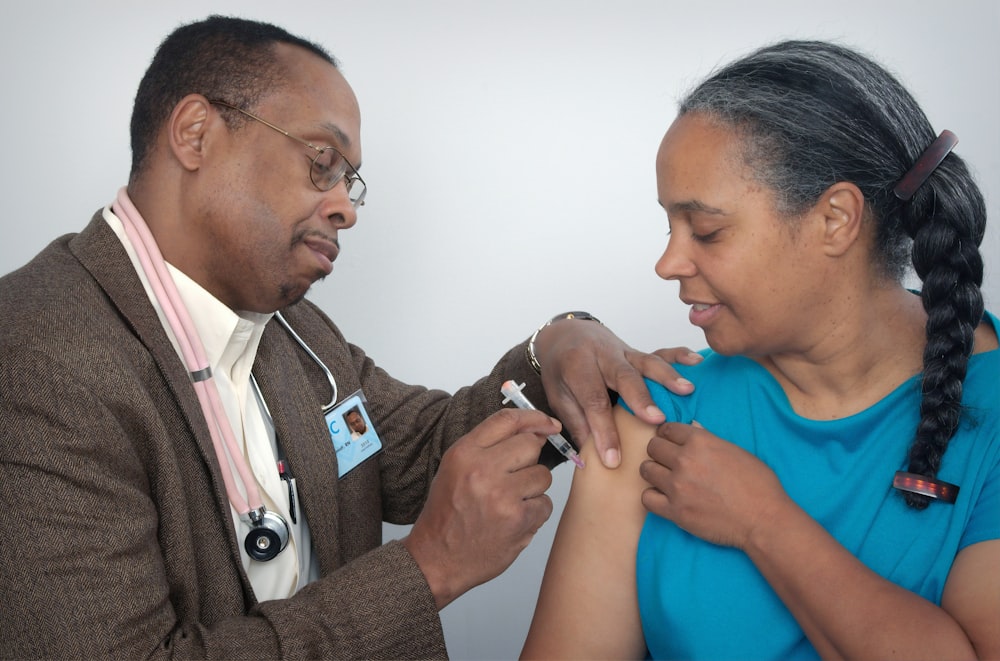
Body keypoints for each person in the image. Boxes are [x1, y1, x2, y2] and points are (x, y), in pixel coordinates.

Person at [0, 16, 698, 660]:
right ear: (195, 134)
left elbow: (426, 448)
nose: (344, 207)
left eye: (348, 180)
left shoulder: (294, 333)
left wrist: (557, 350)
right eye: (321, 161)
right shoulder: (35, 356)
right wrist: (426, 571)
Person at [521, 39, 1000, 660]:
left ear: (835, 219)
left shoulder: (988, 411)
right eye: (669, 225)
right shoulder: (657, 417)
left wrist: (763, 522)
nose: (667, 263)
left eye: (708, 230)